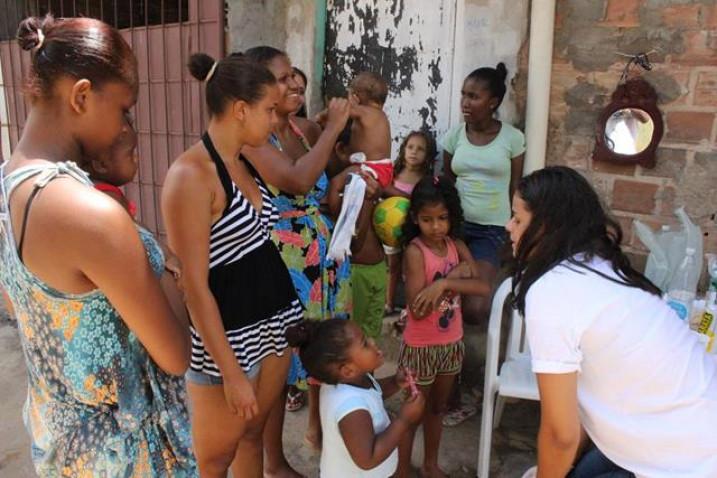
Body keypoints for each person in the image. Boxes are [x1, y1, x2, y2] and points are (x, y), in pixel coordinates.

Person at [0, 14, 195, 476]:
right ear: (82, 96)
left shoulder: (11, 185)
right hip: (124, 454)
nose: (127, 123)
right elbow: (176, 354)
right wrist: (168, 267)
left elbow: (22, 305)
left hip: (63, 439)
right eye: (124, 108)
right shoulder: (88, 213)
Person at [506, 166, 717, 478]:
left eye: (518, 218)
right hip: (683, 432)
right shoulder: (596, 266)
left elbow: (560, 435)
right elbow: (578, 421)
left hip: (690, 458)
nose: (508, 227)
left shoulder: (552, 292)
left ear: (545, 227)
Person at [161, 52, 303, 477]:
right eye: (269, 111)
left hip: (272, 320)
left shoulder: (242, 160)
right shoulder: (191, 175)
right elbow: (194, 285)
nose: (275, 121)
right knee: (214, 460)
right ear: (241, 110)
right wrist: (232, 374)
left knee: (252, 436)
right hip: (230, 338)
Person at [241, 46, 352, 473]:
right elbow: (296, 178)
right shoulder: (254, 139)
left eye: (294, 78)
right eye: (284, 77)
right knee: (279, 363)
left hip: (324, 260)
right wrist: (334, 129)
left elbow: (320, 186)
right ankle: (274, 462)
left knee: (325, 346)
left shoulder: (305, 129)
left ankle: (319, 433)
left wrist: (346, 179)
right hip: (283, 264)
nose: (294, 85)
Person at [395, 176, 489, 478]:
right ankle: (401, 470)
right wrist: (451, 282)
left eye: (442, 218)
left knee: (438, 408)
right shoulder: (415, 251)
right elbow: (418, 307)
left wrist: (446, 282)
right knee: (412, 411)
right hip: (421, 346)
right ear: (415, 219)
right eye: (427, 220)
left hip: (451, 343)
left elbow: (482, 287)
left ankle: (430, 464)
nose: (436, 226)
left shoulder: (456, 245)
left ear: (452, 216)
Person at [286, 319, 425, 477]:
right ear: (347, 370)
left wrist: (396, 382)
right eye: (365, 343)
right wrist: (404, 420)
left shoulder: (348, 381)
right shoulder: (351, 410)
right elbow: (368, 459)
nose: (373, 342)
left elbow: (371, 394)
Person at [441, 62, 525, 323]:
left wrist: (515, 234)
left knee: (476, 309)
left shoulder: (512, 138)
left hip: (491, 231)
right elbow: (447, 182)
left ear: (493, 102)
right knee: (440, 290)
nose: (465, 103)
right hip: (455, 227)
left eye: (474, 97)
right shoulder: (455, 136)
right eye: (464, 95)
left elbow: (516, 187)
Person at [329, 135, 386, 341]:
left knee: (372, 337)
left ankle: (368, 373)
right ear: (342, 150)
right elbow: (355, 240)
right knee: (355, 339)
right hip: (356, 273)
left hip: (379, 268)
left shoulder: (374, 181)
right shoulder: (339, 185)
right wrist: (369, 199)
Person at [382, 131, 437, 315]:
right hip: (391, 231)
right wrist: (405, 196)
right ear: (404, 149)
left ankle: (409, 306)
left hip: (413, 233)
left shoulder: (425, 180)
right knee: (392, 267)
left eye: (420, 149)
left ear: (427, 156)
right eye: (410, 147)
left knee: (411, 270)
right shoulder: (395, 172)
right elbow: (385, 189)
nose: (414, 152)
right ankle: (388, 303)